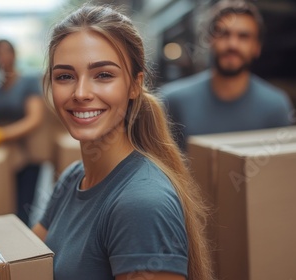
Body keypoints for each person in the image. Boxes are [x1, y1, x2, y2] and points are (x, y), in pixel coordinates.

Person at [32, 5, 213, 280]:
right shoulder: (73, 178)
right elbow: (28, 260)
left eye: (103, 75)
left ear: (134, 85)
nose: (80, 93)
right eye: (65, 76)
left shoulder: (141, 203)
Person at [162, 0, 293, 152]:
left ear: (257, 47)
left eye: (243, 36)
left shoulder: (276, 107)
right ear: (210, 40)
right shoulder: (173, 101)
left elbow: (279, 170)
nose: (232, 44)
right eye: (224, 34)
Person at [0, 39, 44, 226]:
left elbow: (34, 119)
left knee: (22, 209)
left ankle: (24, 252)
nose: (2, 58)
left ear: (14, 55)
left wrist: (1, 134)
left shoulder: (28, 82)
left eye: (6, 52)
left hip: (27, 155)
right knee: (2, 207)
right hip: (2, 155)